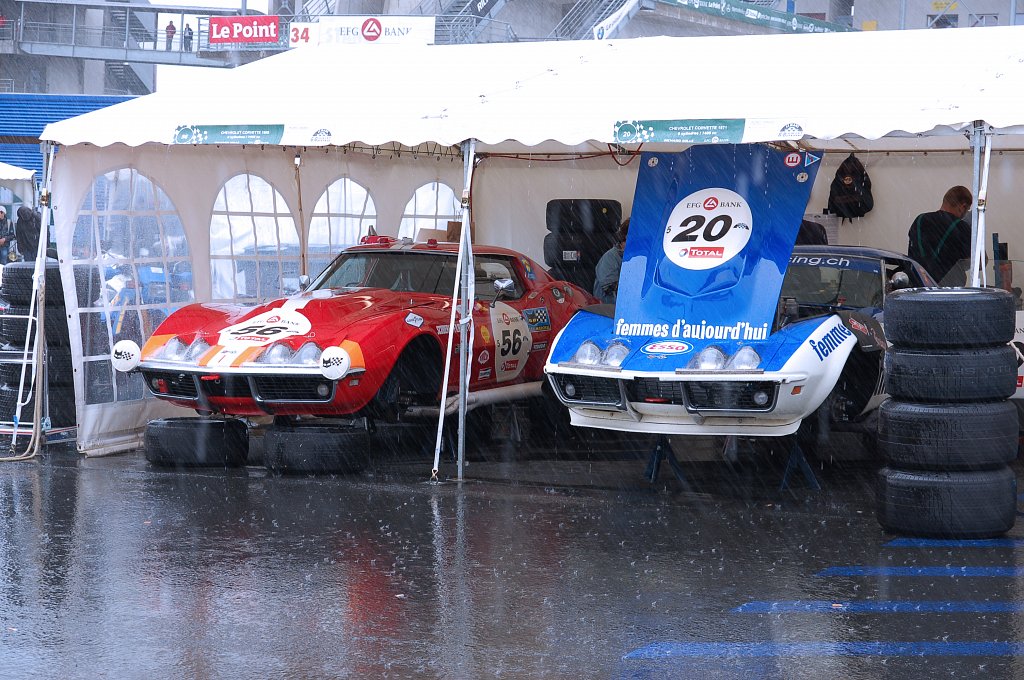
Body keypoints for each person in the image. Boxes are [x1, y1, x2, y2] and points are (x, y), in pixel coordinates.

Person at [907, 185, 973, 285]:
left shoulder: (920, 220)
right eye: (967, 209)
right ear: (962, 207)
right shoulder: (961, 227)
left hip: (917, 286)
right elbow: (976, 263)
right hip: (946, 292)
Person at [593, 218, 629, 304]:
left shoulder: (634, 258)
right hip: (608, 311)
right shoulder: (610, 258)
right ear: (627, 237)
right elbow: (610, 288)